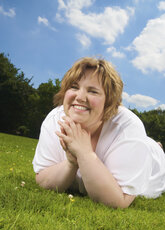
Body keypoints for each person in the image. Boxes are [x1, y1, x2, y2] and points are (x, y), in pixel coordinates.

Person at [33, 57, 165, 209]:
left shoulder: (128, 126)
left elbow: (118, 201)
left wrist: (85, 153)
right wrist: (71, 163)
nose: (80, 97)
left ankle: (156, 147)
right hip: (134, 144)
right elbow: (42, 180)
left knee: (151, 149)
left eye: (93, 91)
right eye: (74, 87)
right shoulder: (55, 118)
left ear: (109, 102)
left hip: (154, 163)